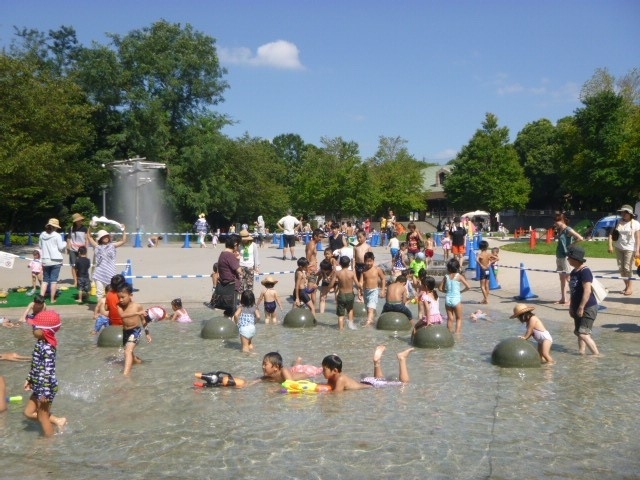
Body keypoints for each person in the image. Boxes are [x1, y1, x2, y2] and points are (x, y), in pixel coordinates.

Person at [23, 310, 67, 436]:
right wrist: (30, 379)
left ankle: (48, 444)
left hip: (45, 388)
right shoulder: (41, 343)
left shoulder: (48, 348)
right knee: (28, 413)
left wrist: (45, 393)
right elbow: (36, 364)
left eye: (34, 327)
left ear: (44, 331)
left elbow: (47, 372)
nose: (32, 329)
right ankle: (59, 421)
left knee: (43, 417)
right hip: (39, 386)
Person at [321, 345, 414, 392]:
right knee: (380, 380)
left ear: (335, 370)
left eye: (324, 369)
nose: (322, 371)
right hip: (368, 382)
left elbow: (336, 395)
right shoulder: (332, 377)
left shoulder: (340, 379)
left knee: (404, 384)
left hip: (373, 385)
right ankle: (377, 362)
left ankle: (402, 359)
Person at [567, 245, 600, 355]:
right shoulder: (573, 272)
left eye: (569, 257)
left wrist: (581, 307)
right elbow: (572, 291)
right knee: (579, 332)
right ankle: (581, 353)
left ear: (575, 259)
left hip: (588, 307)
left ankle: (597, 355)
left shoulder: (585, 271)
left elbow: (587, 291)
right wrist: (571, 306)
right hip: (576, 306)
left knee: (583, 333)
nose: (567, 259)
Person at [117, 283, 152, 375]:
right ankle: (138, 362)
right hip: (125, 331)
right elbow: (122, 315)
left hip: (135, 331)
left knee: (127, 351)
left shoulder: (137, 306)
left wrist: (147, 333)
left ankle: (126, 374)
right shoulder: (119, 306)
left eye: (123, 297)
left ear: (130, 295)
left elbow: (143, 320)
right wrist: (137, 313)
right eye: (119, 297)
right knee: (130, 353)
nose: (120, 300)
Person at [87, 225, 127, 300]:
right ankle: (101, 309)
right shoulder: (97, 246)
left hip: (110, 273)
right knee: (100, 293)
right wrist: (90, 227)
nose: (106, 238)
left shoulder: (112, 245)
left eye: (106, 236)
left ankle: (109, 308)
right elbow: (89, 237)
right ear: (100, 238)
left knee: (111, 293)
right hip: (99, 273)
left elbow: (123, 241)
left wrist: (124, 230)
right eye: (103, 236)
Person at [608, 204, 640, 296]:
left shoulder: (636, 224)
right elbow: (611, 234)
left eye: (625, 212)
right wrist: (610, 245)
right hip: (619, 247)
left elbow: (638, 238)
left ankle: (630, 288)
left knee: (627, 268)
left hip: (630, 249)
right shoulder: (618, 222)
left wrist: (637, 251)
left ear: (630, 213)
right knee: (621, 269)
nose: (623, 214)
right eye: (622, 212)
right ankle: (626, 286)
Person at [554, 213, 584, 305]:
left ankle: (573, 299)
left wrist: (571, 245)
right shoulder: (560, 230)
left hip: (566, 256)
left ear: (562, 220)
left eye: (557, 221)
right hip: (559, 256)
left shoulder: (568, 229)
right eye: (555, 221)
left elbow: (580, 238)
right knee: (562, 278)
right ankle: (563, 298)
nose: (556, 223)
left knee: (569, 278)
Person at [328, 255, 363, 330]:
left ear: (340, 264)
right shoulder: (352, 273)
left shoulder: (337, 273)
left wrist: (328, 290)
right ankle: (351, 326)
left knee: (341, 315)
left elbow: (331, 284)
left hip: (341, 295)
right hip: (350, 295)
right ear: (349, 264)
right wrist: (361, 291)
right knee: (350, 310)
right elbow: (357, 284)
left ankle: (341, 330)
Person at [38, 218, 67, 304]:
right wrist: (65, 242)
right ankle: (52, 299)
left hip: (45, 260)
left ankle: (41, 298)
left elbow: (40, 246)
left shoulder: (42, 234)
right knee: (54, 280)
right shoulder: (57, 235)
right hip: (56, 260)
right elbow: (61, 247)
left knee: (45, 280)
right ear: (55, 227)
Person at [213, 236, 242, 316]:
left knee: (228, 310)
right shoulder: (230, 255)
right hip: (231, 285)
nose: (239, 247)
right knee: (232, 310)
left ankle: (226, 325)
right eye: (239, 245)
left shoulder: (222, 254)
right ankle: (232, 327)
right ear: (235, 244)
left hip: (224, 284)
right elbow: (239, 271)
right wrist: (239, 260)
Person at [440, 258, 471, 334]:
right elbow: (468, 287)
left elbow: (440, 288)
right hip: (456, 300)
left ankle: (448, 334)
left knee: (450, 319)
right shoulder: (459, 276)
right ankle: (457, 335)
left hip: (448, 299)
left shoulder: (446, 276)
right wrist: (461, 291)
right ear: (457, 267)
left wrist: (447, 291)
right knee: (459, 319)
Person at [361, 252, 387, 326]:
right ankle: (372, 320)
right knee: (368, 308)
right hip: (366, 291)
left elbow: (383, 279)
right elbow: (361, 281)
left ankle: (368, 323)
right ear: (364, 261)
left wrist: (382, 289)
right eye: (367, 261)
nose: (368, 263)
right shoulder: (364, 271)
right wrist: (360, 291)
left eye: (370, 261)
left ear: (373, 260)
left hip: (374, 291)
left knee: (370, 309)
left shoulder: (377, 269)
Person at [67, 213, 88, 287]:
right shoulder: (71, 228)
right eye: (78, 220)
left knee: (81, 265)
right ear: (75, 221)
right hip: (73, 249)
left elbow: (86, 239)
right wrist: (68, 247)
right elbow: (69, 238)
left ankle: (80, 280)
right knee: (73, 265)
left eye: (81, 220)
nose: (80, 221)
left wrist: (86, 249)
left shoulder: (85, 228)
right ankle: (75, 281)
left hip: (81, 249)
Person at [476, 240, 492, 304]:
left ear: (480, 247)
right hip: (488, 270)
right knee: (487, 285)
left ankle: (486, 299)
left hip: (483, 270)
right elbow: (497, 258)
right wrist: (490, 263)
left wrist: (481, 264)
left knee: (482, 286)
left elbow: (476, 259)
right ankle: (485, 299)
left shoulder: (481, 254)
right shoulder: (488, 254)